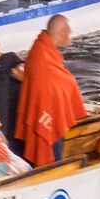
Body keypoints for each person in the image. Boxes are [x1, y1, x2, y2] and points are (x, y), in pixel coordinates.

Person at [15, 14, 88, 165]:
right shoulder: (41, 55)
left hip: (53, 114)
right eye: (68, 31)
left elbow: (58, 82)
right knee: (52, 159)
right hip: (46, 117)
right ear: (60, 32)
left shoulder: (45, 50)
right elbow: (50, 87)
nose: (70, 34)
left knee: (56, 155)